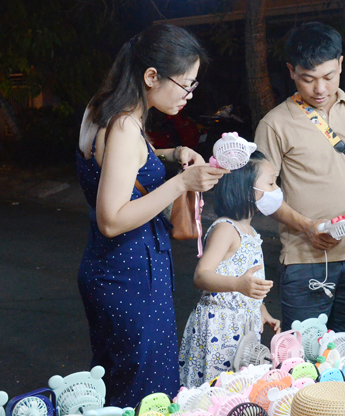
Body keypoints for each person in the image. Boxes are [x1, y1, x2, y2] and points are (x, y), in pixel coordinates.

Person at [76, 24, 227, 406]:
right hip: (131, 275)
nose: (189, 96)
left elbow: (120, 164)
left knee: (114, 384)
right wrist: (181, 183)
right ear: (151, 76)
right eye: (186, 85)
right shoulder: (126, 125)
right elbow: (111, 220)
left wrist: (173, 153)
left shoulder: (101, 108)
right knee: (147, 394)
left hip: (105, 270)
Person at [254, 22, 345, 342]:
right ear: (291, 71)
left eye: (329, 77)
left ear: (341, 64)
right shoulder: (275, 123)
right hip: (305, 262)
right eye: (308, 78)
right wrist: (306, 227)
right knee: (301, 357)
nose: (320, 88)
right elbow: (261, 190)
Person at [179, 151, 281, 387]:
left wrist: (260, 308)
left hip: (242, 330)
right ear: (245, 190)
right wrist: (238, 285)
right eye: (270, 182)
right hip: (219, 330)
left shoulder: (251, 232)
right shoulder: (226, 229)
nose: (276, 189)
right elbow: (201, 275)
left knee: (237, 390)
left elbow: (245, 279)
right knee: (215, 391)